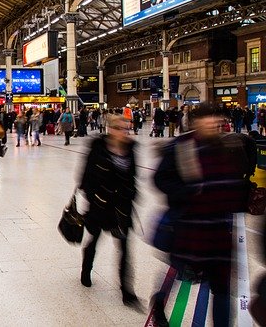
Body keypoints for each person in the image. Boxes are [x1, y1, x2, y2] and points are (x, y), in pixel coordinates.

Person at [151, 103, 255, 327]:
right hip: (189, 228)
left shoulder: (229, 145)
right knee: (178, 271)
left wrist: (247, 195)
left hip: (219, 232)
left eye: (216, 118)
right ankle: (159, 302)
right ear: (196, 122)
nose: (214, 123)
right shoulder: (181, 147)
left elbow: (238, 180)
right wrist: (186, 191)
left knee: (222, 289)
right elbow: (160, 179)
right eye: (208, 118)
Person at [79, 114, 140, 309]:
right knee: (93, 240)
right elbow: (85, 176)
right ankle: (86, 268)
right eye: (121, 128)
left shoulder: (131, 149)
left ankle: (126, 290)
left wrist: (132, 194)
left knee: (123, 248)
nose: (125, 132)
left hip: (121, 207)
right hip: (100, 205)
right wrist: (93, 197)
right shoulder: (97, 147)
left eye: (127, 128)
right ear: (111, 129)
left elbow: (133, 176)